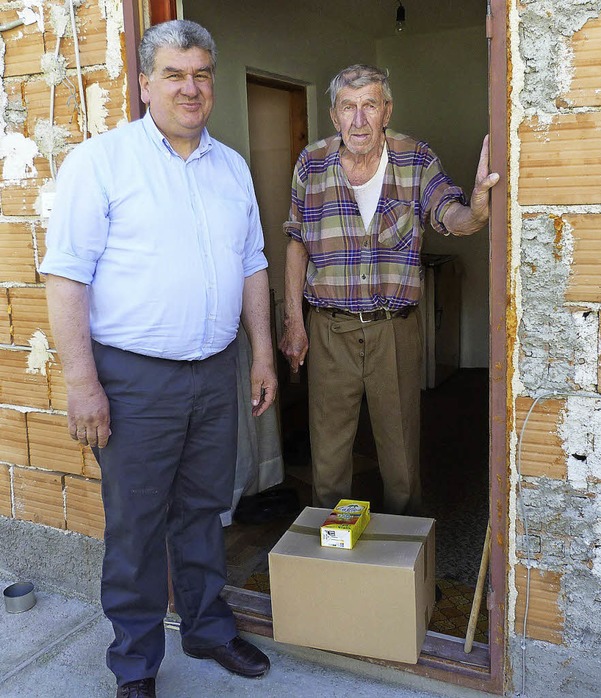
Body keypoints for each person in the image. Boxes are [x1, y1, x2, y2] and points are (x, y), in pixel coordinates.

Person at [41, 20, 276, 698]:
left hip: (214, 371)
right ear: (146, 84)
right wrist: (82, 382)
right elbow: (66, 279)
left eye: (201, 73)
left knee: (203, 510)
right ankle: (136, 664)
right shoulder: (101, 162)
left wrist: (261, 353)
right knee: (138, 524)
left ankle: (206, 628)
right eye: (174, 74)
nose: (191, 87)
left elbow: (253, 266)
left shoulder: (230, 168)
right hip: (134, 379)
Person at [279, 64, 499, 517]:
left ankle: (403, 573)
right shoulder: (311, 163)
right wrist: (294, 323)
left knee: (400, 459)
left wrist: (476, 211)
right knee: (329, 458)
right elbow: (297, 243)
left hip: (394, 331)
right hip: (329, 329)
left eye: (370, 106)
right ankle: (334, 564)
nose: (359, 120)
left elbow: (449, 214)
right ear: (334, 114)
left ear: (387, 110)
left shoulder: (415, 158)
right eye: (348, 108)